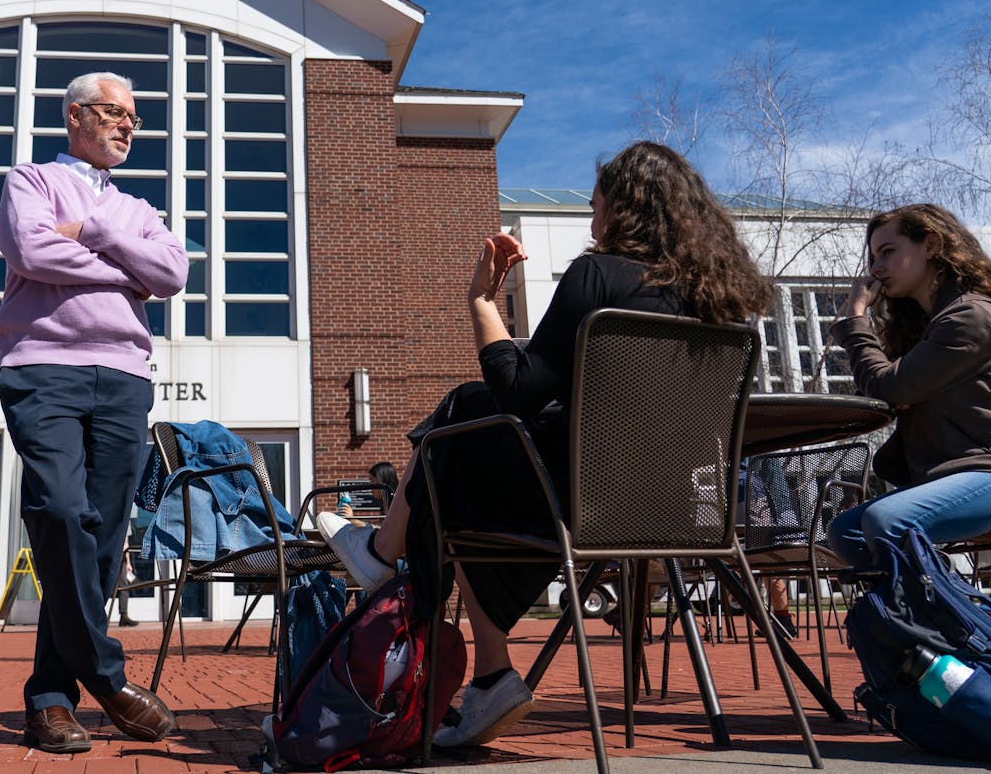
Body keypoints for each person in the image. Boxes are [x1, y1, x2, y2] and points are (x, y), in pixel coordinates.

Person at [317, 141, 770, 748]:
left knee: (468, 413)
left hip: (580, 503)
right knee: (464, 455)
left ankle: (388, 556)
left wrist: (481, 300)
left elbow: (516, 391)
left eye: (597, 201)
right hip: (675, 509)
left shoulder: (597, 275)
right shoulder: (726, 306)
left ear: (626, 209)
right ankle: (485, 672)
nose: (590, 213)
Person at [0, 71, 188, 754]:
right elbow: (30, 249)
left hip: (126, 378)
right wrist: (123, 267)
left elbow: (170, 274)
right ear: (76, 115)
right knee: (57, 510)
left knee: (102, 541)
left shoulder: (137, 207)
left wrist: (95, 230)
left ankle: (50, 699)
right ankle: (106, 677)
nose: (129, 126)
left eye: (134, 118)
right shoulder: (32, 180)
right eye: (115, 113)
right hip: (42, 366)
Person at [827, 203, 991, 571]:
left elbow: (886, 388)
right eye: (874, 256)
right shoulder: (932, 327)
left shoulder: (972, 316)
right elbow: (889, 389)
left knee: (887, 521)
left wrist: (856, 320)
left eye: (888, 252)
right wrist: (899, 390)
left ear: (930, 246)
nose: (876, 268)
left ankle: (948, 621)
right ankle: (941, 622)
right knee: (845, 529)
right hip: (955, 477)